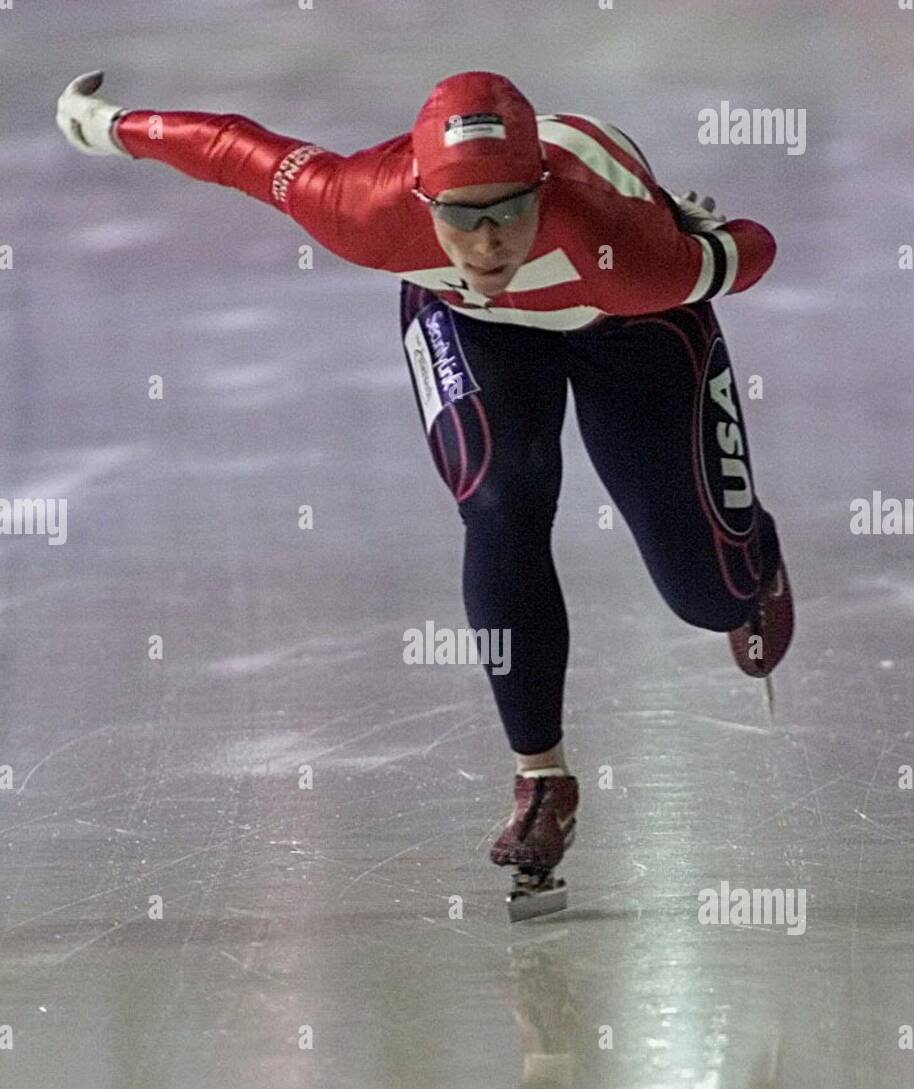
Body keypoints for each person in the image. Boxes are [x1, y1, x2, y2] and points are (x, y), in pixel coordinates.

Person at [56, 68, 793, 878]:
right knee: (500, 500)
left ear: (542, 192)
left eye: (509, 213)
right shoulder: (361, 206)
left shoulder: (629, 252)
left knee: (707, 594)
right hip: (470, 323)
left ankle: (751, 558)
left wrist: (701, 241)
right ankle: (542, 779)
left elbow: (756, 250)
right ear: (422, 203)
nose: (487, 245)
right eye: (461, 218)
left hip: (628, 318)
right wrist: (106, 125)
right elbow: (232, 150)